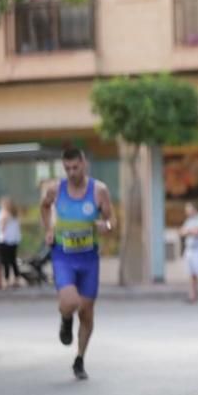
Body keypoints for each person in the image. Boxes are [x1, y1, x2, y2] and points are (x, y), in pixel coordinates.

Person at [40, 148, 115, 380]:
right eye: (68, 168)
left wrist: (107, 226)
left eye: (76, 167)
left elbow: (112, 219)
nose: (72, 173)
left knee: (87, 312)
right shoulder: (56, 189)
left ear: (84, 164)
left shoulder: (99, 190)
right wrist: (49, 229)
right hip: (63, 255)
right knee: (70, 301)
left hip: (88, 258)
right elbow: (44, 206)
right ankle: (65, 320)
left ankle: (80, 359)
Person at [0, 196, 22, 289]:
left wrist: (1, 233)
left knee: (5, 261)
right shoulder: (14, 214)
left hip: (5, 240)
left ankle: (6, 281)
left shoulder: (4, 214)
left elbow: (2, 227)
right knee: (13, 260)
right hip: (14, 240)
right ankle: (16, 279)